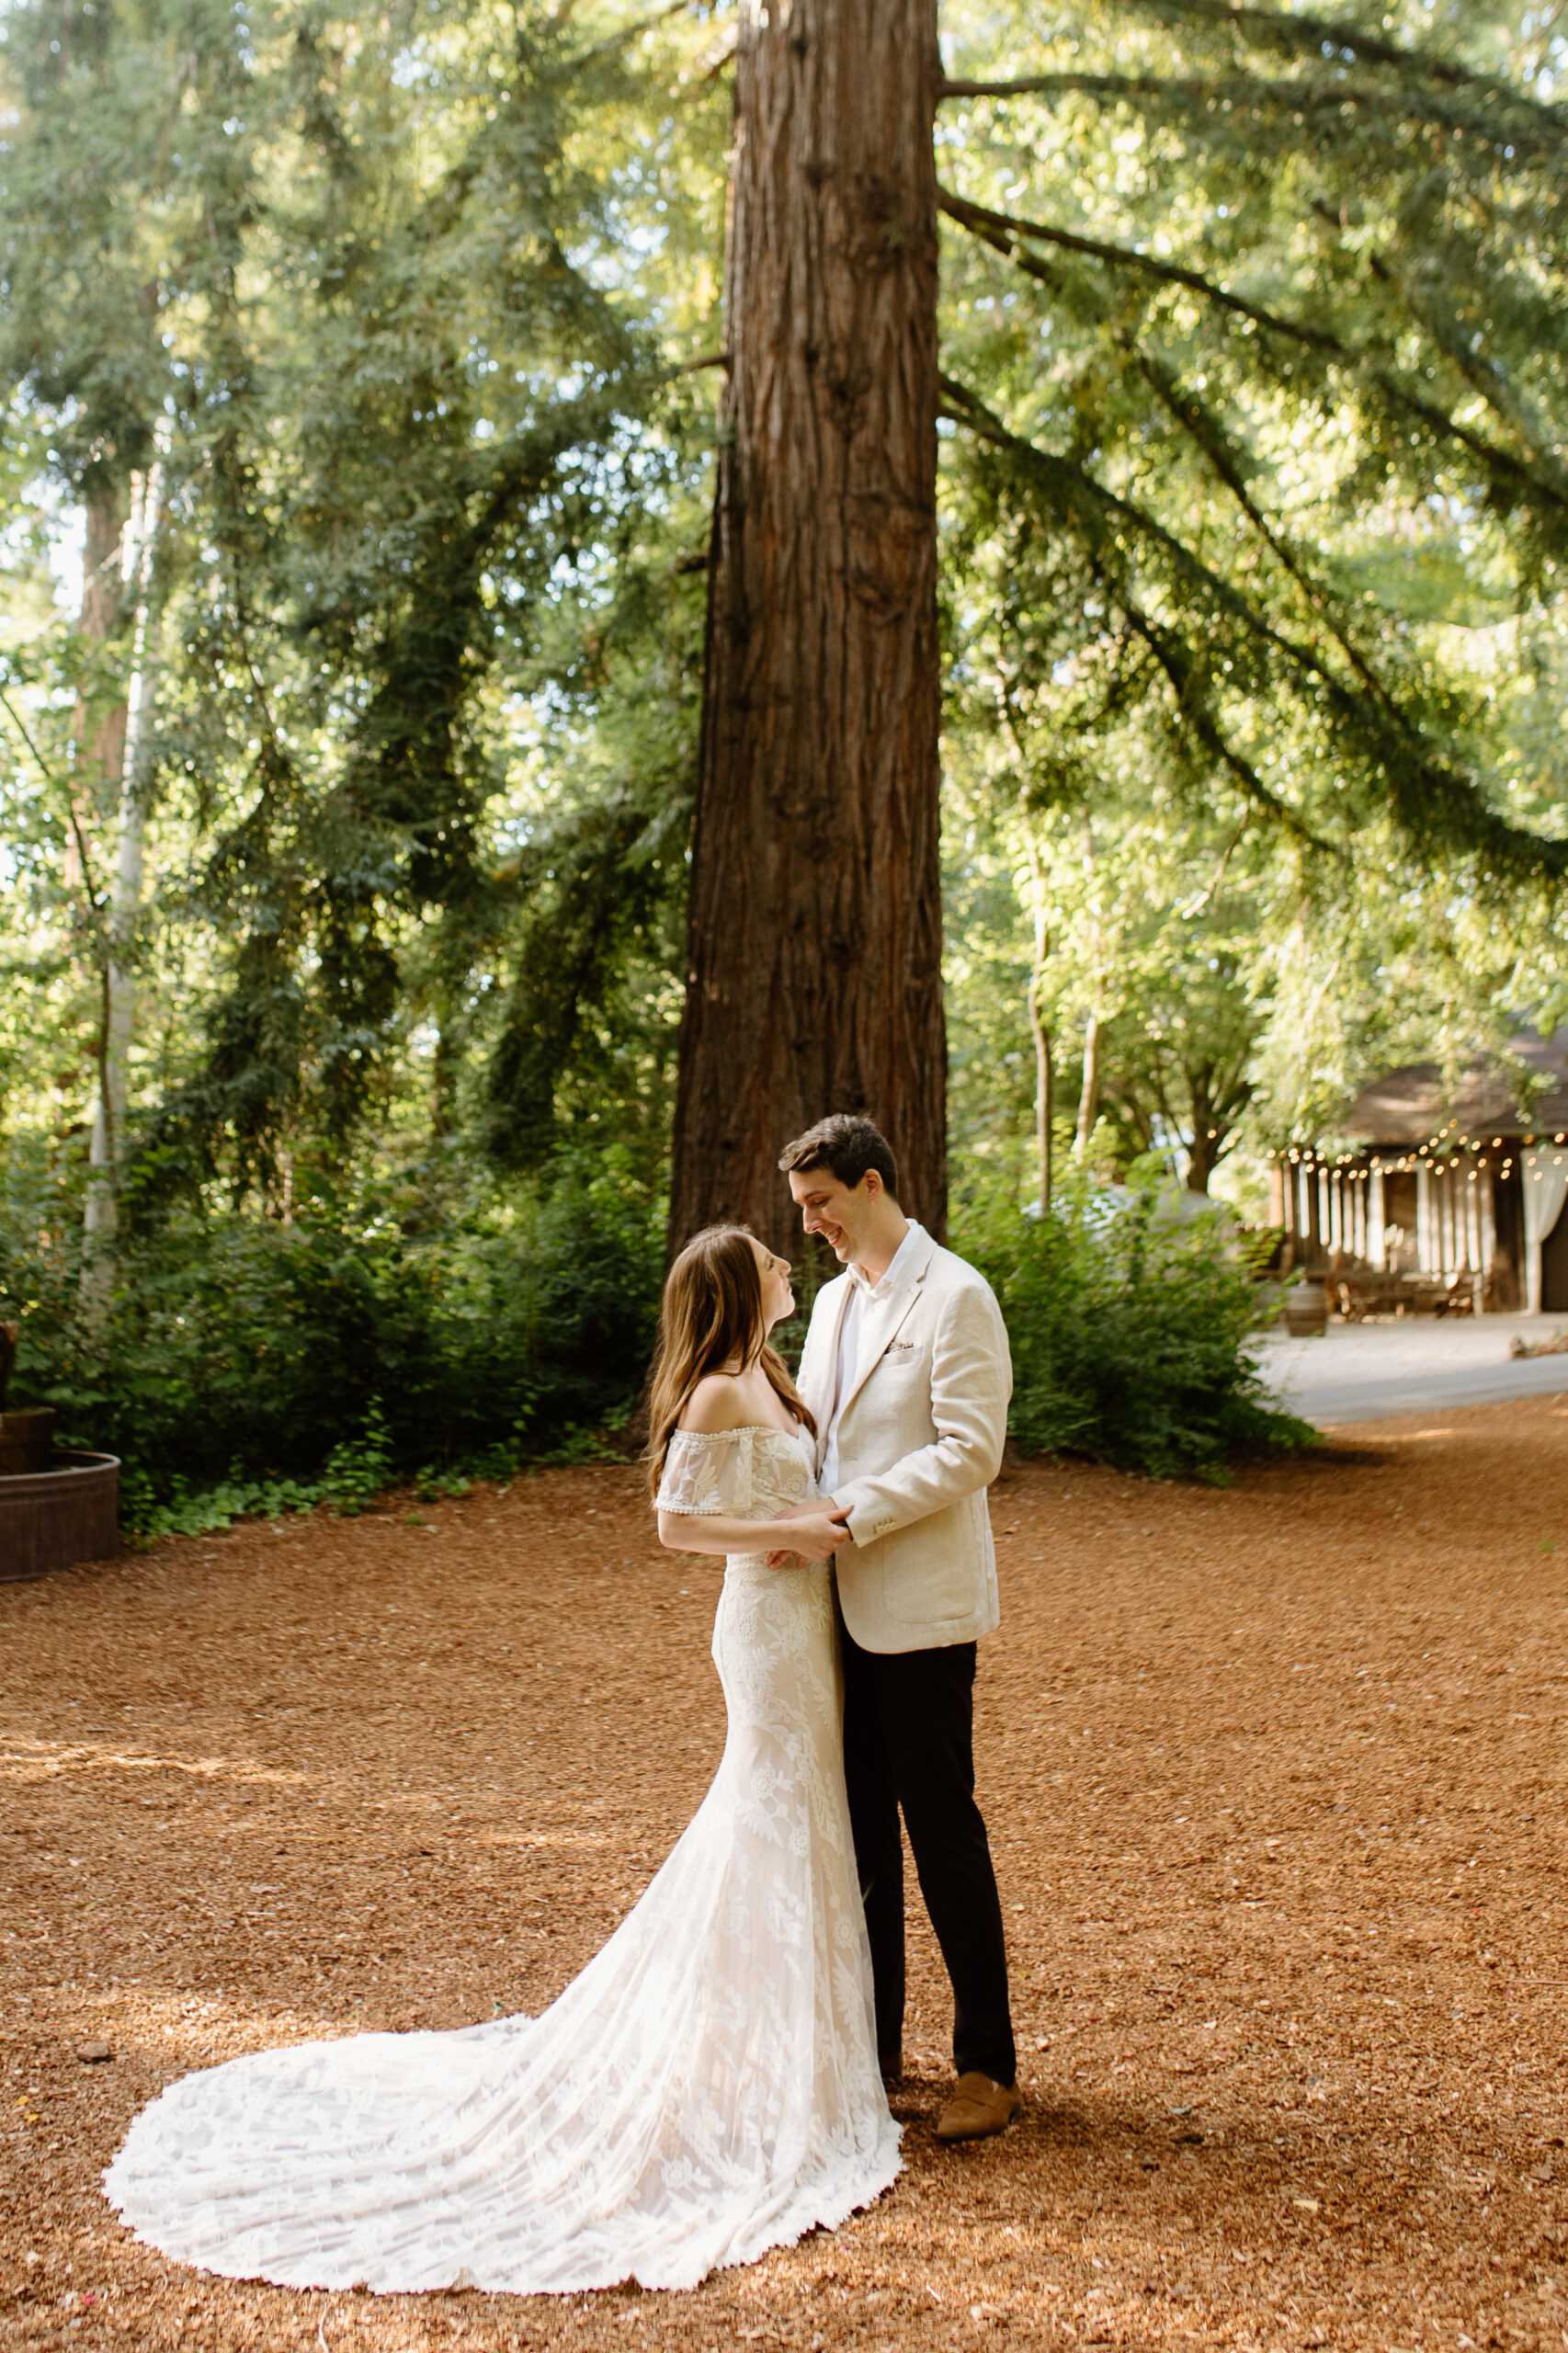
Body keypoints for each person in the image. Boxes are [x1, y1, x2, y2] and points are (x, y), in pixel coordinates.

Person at [103, 1225, 899, 2295]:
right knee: (765, 1807)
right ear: (734, 1287)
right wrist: (781, 1531)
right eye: (770, 1258)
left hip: (808, 1623)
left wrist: (806, 1520)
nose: (787, 1266)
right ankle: (743, 2062)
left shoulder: (768, 1369)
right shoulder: (716, 1388)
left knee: (804, 1810)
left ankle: (790, 2052)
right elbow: (674, 1522)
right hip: (762, 1622)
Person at [775, 1113, 1020, 2144]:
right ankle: (872, 2050)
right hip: (834, 1607)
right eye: (802, 1210)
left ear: (869, 1183)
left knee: (941, 1832)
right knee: (862, 1839)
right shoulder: (829, 1304)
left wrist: (849, 1512)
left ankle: (986, 2064)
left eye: (820, 1203)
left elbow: (972, 1450)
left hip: (919, 1609)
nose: (811, 1226)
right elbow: (819, 1439)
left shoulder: (957, 1294)